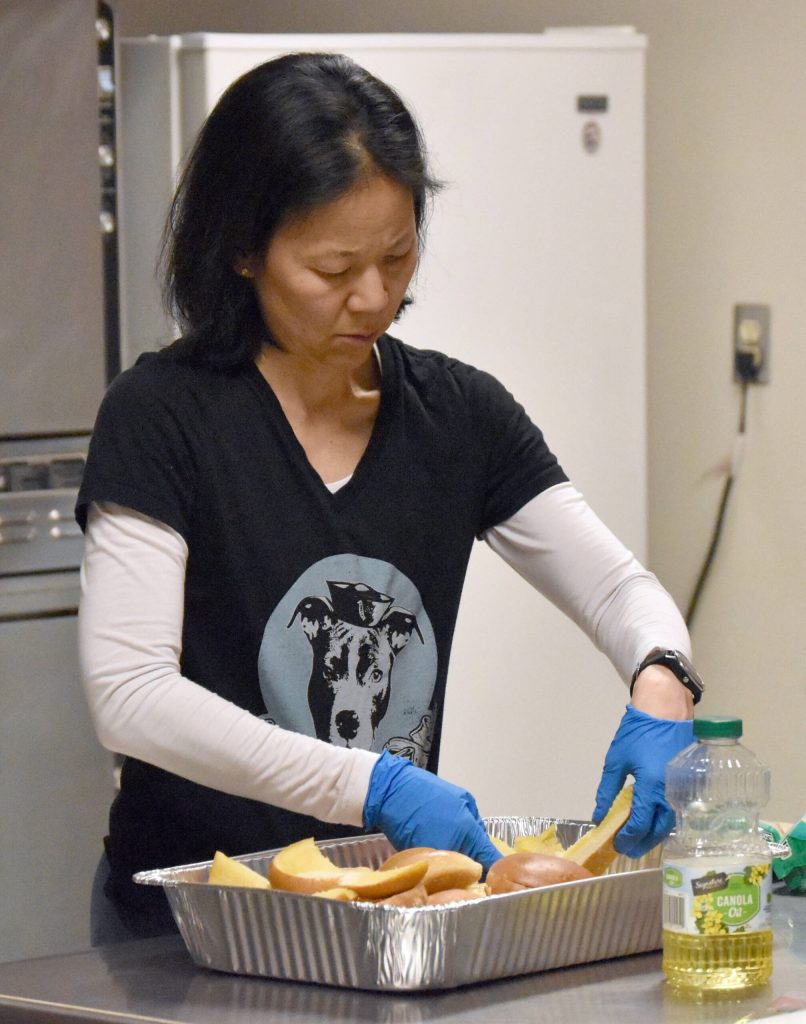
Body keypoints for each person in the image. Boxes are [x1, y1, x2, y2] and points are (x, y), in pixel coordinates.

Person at [77, 51, 699, 944]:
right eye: (333, 269)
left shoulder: (459, 416)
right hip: (184, 934)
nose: (373, 297)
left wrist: (662, 680)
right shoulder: (162, 418)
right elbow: (130, 693)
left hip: (384, 925)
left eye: (398, 255)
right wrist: (370, 784)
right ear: (244, 250)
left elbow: (618, 590)